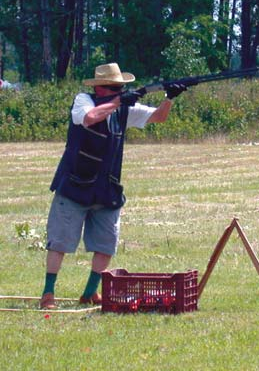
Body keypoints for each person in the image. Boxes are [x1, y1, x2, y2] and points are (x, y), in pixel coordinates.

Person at [40, 63, 186, 309]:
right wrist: (119, 102)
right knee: (60, 242)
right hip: (75, 184)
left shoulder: (123, 109)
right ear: (100, 89)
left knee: (106, 244)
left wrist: (169, 98)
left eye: (120, 88)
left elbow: (158, 117)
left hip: (106, 187)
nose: (118, 91)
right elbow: (89, 118)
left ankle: (89, 292)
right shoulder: (83, 100)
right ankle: (48, 294)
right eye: (114, 88)